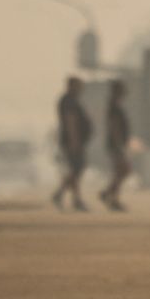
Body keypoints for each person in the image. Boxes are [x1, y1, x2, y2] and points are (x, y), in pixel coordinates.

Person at [52, 76, 92, 211]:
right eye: (78, 86)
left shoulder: (71, 100)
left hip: (74, 140)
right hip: (72, 141)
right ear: (71, 86)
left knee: (76, 170)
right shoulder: (69, 101)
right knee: (76, 169)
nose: (81, 89)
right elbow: (70, 122)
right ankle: (64, 195)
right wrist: (74, 141)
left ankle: (72, 198)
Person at [99, 79, 131, 211]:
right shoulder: (114, 107)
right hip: (115, 144)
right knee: (123, 170)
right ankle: (111, 197)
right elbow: (114, 126)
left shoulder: (115, 105)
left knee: (120, 171)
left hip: (116, 143)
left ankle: (109, 195)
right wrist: (118, 144)